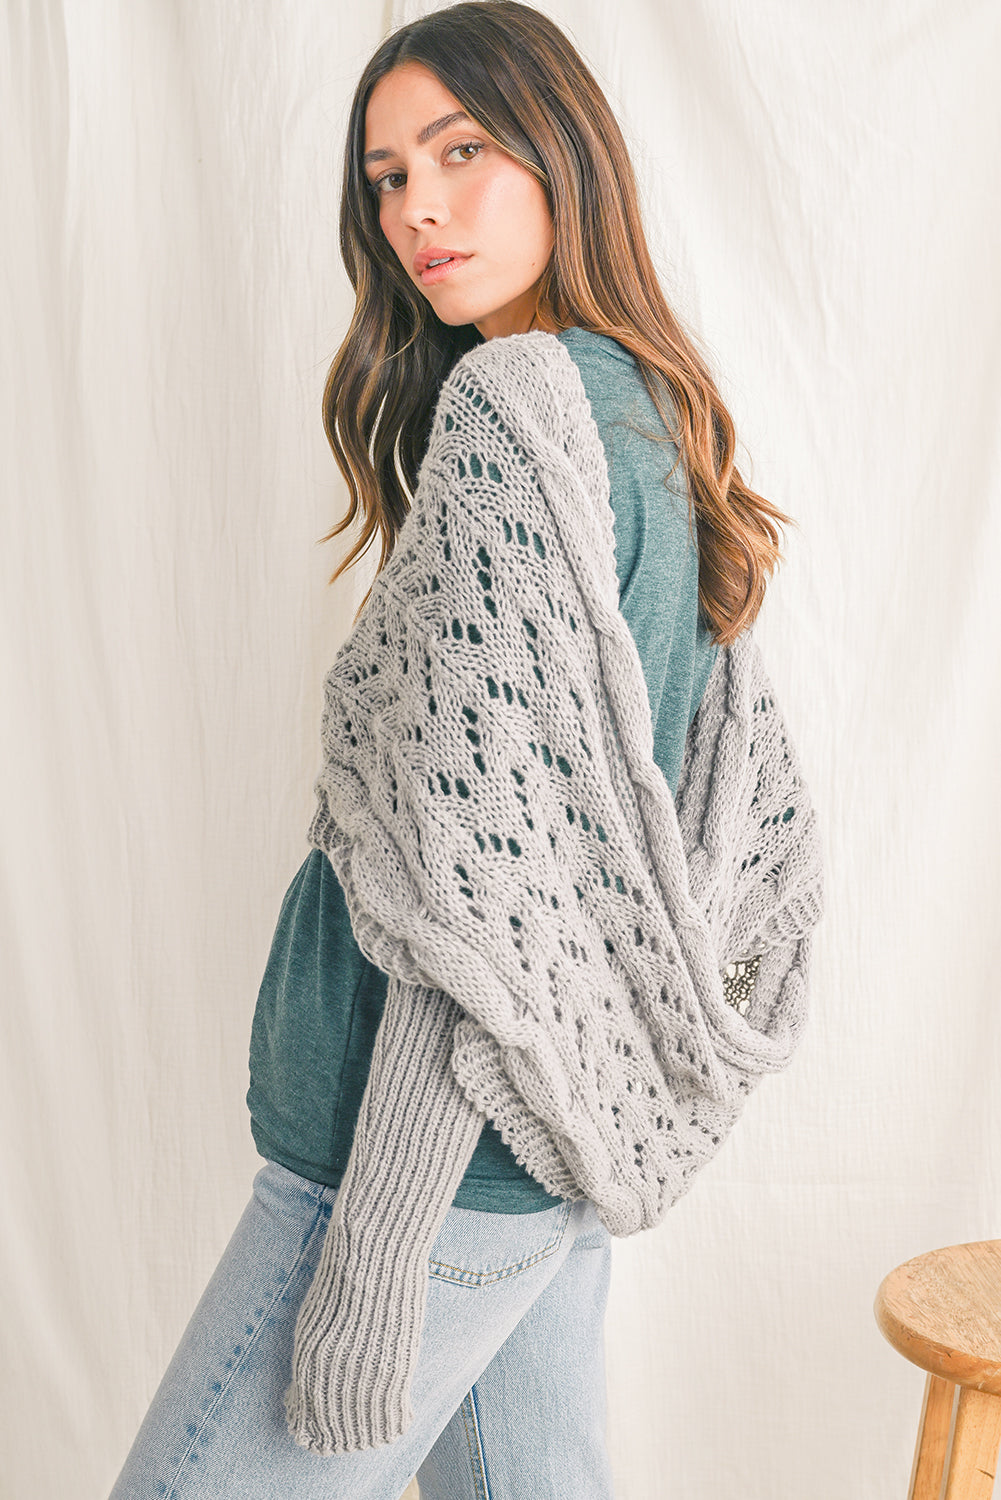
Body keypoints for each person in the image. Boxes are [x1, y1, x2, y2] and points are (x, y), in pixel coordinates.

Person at [109, 3, 823, 1497]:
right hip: (539, 1152)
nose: (417, 208)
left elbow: (475, 912)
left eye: (463, 151)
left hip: (413, 1167)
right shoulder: (644, 418)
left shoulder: (515, 410)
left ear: (565, 159)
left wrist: (377, 1237)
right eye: (383, 177)